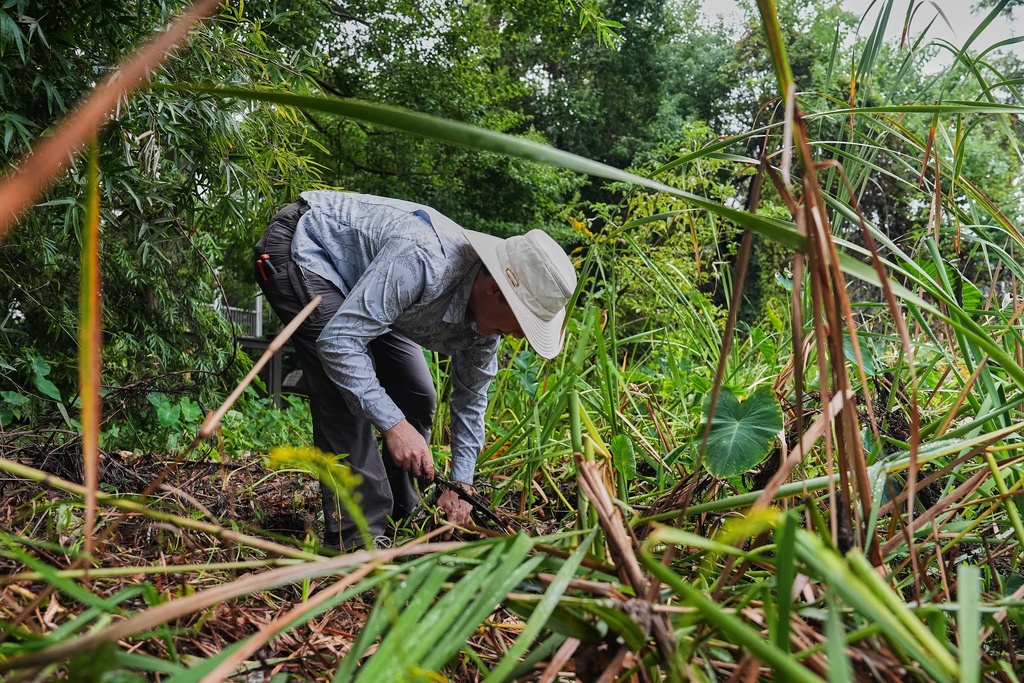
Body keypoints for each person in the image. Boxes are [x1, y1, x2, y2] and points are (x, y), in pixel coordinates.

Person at [254, 191, 577, 549]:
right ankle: (357, 539)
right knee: (346, 391)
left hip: (372, 286)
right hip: (307, 247)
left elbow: (471, 401)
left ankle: (404, 510)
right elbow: (339, 344)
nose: (519, 335)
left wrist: (462, 485)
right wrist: (393, 425)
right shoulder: (423, 261)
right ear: (496, 290)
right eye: (523, 322)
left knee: (417, 395)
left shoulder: (485, 333)